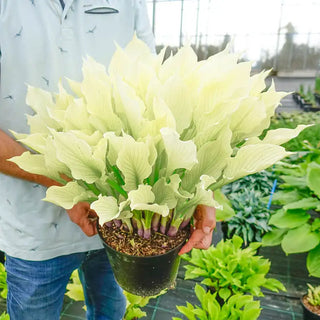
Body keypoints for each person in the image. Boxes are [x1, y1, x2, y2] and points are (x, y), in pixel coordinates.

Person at [0, 1, 216, 319]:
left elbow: (155, 100)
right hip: (32, 226)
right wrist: (68, 185)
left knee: (111, 309)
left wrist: (195, 188)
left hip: (122, 223)